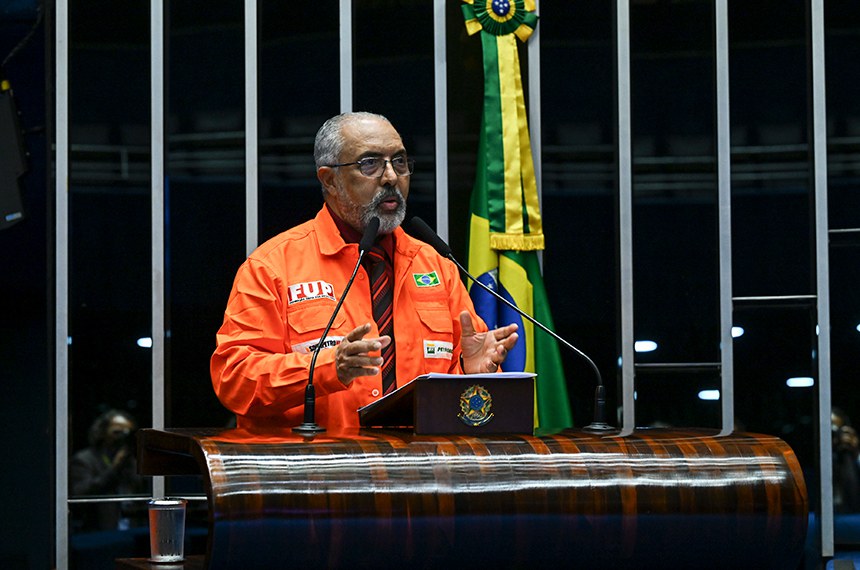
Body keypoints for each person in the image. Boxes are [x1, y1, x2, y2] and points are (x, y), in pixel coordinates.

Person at [210, 111, 519, 431]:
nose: (391, 177)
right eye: (370, 163)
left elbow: (464, 403)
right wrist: (328, 369)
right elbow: (234, 379)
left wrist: (470, 372)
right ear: (329, 179)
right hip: (317, 461)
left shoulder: (437, 266)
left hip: (418, 460)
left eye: (399, 161)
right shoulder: (273, 267)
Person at [69, 409, 145, 531]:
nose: (122, 437)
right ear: (102, 432)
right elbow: (81, 494)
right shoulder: (85, 460)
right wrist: (115, 468)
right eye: (117, 432)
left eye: (128, 433)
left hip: (133, 528)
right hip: (99, 531)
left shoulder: (132, 461)